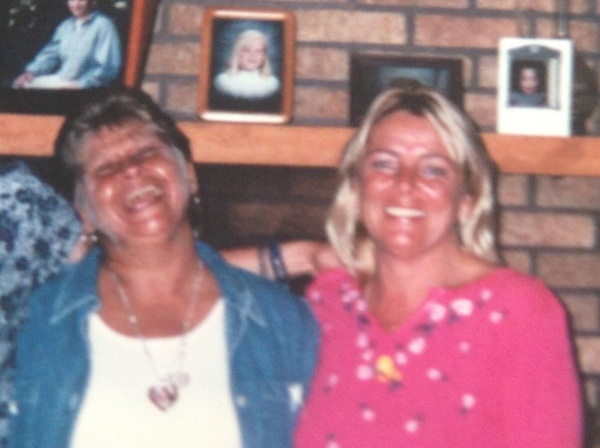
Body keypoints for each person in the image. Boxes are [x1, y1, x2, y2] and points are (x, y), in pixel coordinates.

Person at [7, 89, 319, 448]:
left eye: (147, 153)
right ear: (83, 212)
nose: (132, 170)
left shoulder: (284, 323)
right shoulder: (34, 321)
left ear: (190, 175)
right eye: (107, 168)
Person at [293, 85, 583, 447]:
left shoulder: (519, 311)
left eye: (433, 170)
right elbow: (220, 288)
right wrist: (298, 253)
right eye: (383, 163)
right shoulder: (331, 302)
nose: (405, 183)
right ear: (356, 188)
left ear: (466, 200)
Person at [12, 0, 121, 90]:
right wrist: (31, 72)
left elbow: (107, 67)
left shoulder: (103, 25)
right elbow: (50, 54)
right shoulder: (66, 26)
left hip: (87, 88)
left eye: (81, 0)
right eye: (72, 0)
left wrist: (80, 84)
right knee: (21, 85)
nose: (76, 4)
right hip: (63, 80)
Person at [212, 28, 280, 111]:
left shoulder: (271, 84)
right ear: (237, 53)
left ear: (264, 56)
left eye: (258, 51)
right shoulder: (224, 82)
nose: (253, 56)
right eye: (247, 50)